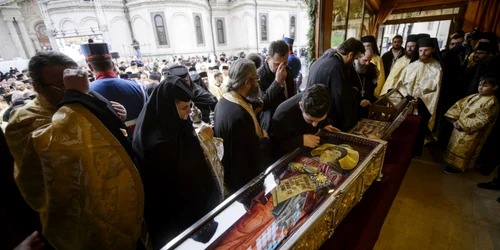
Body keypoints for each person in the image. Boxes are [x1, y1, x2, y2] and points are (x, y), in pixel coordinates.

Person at [5, 55, 145, 249]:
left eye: (73, 83)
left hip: (116, 205)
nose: (70, 91)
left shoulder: (78, 104)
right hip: (78, 219)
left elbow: (108, 148)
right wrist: (78, 101)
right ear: (38, 87)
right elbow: (57, 156)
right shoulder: (23, 120)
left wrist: (113, 117)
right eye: (62, 86)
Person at [133, 75, 224, 248]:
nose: (189, 111)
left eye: (190, 106)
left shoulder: (176, 121)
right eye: (184, 108)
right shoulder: (154, 142)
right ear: (168, 108)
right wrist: (204, 139)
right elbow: (183, 170)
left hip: (193, 206)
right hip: (174, 213)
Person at [214, 58, 269, 193]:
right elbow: (252, 155)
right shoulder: (240, 116)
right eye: (256, 79)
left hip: (230, 174)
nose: (258, 83)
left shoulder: (223, 101)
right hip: (244, 183)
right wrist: (266, 139)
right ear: (247, 82)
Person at [84, 41, 146, 133]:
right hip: (140, 138)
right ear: (113, 64)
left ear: (90, 67)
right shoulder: (138, 86)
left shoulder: (85, 93)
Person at [307, 37, 365, 131]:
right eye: (355, 58)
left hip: (314, 112)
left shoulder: (327, 55)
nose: (354, 62)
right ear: (350, 55)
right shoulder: (336, 67)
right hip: (324, 118)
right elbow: (339, 100)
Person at [443, 77, 499, 174]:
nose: (481, 88)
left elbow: (482, 120)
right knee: (454, 144)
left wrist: (462, 124)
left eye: (485, 86)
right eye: (479, 85)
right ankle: (450, 162)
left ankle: (458, 167)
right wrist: (454, 120)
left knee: (464, 148)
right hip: (458, 126)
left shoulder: (492, 102)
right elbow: (459, 106)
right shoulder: (474, 96)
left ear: (495, 87)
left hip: (472, 132)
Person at [269, 84, 338, 160]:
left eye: (319, 120)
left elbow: (321, 115)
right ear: (301, 106)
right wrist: (300, 140)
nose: (315, 125)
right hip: (289, 155)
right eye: (310, 120)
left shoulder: (322, 96)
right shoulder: (282, 116)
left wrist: (324, 124)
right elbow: (276, 144)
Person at [400, 37, 443, 145]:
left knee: (417, 136)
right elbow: (401, 85)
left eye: (426, 50)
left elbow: (436, 93)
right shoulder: (411, 66)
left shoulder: (437, 68)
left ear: (433, 50)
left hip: (424, 106)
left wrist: (420, 101)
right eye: (420, 50)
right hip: (407, 103)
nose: (423, 53)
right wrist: (407, 97)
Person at [257, 39, 296, 132]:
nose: (281, 67)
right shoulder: (258, 76)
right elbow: (262, 104)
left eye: (285, 63)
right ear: (268, 59)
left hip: (288, 121)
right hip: (271, 125)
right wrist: (277, 83)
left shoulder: (288, 70)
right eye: (276, 64)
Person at [351, 48, 378, 118]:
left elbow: (372, 86)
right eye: (365, 60)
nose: (367, 63)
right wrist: (359, 100)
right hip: (354, 104)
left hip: (367, 102)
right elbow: (348, 90)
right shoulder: (350, 69)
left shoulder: (371, 68)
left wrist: (367, 98)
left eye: (370, 60)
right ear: (357, 58)